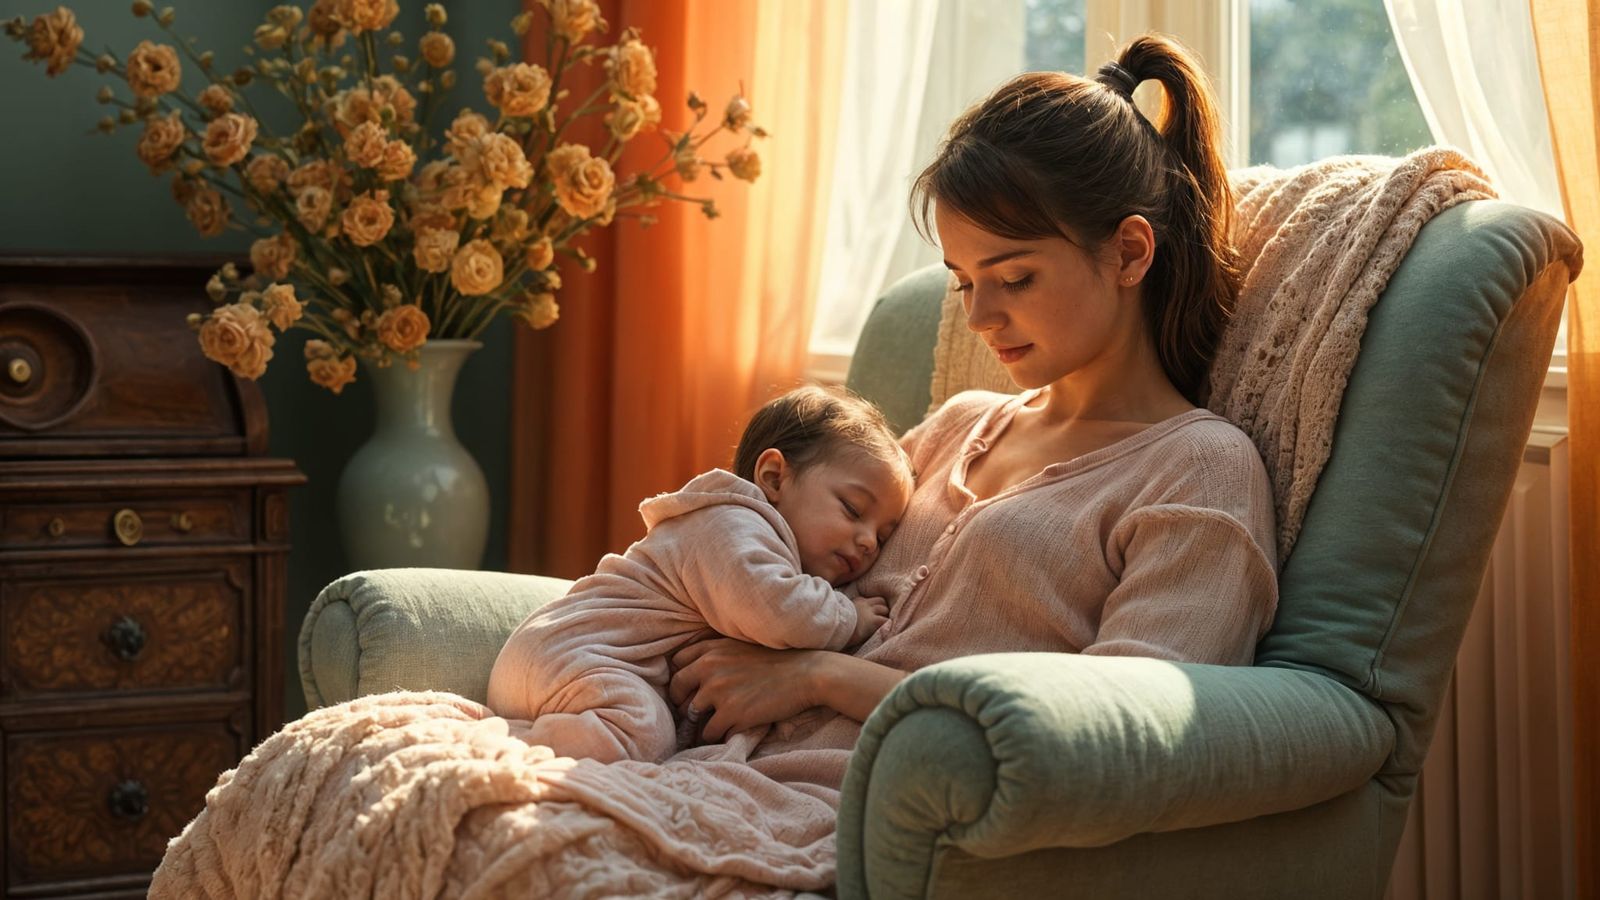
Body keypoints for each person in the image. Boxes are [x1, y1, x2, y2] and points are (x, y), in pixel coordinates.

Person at [665, 34, 1280, 794]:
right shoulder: (956, 424)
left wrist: (821, 678)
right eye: (963, 282)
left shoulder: (1199, 470)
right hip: (713, 765)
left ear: (1128, 253)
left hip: (870, 814)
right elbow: (769, 549)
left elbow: (1118, 737)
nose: (981, 316)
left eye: (1014, 278)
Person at [486, 384, 915, 764]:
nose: (867, 543)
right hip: (576, 656)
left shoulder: (755, 540)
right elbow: (777, 610)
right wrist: (850, 616)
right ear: (773, 477)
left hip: (566, 669)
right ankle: (514, 755)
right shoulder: (731, 523)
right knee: (644, 733)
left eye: (883, 534)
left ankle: (531, 742)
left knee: (648, 731)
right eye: (853, 510)